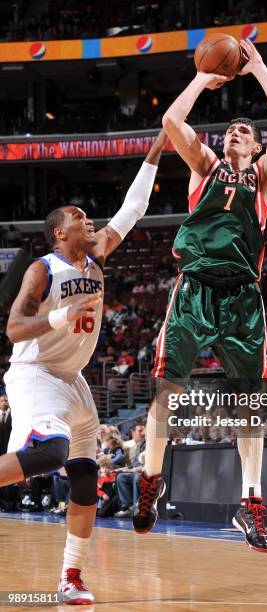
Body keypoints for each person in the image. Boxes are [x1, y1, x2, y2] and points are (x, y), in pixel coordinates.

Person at [133, 38, 267, 553]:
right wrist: (205, 78)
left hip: (243, 299)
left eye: (244, 132)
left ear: (255, 148)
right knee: (168, 393)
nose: (235, 134)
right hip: (195, 290)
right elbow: (172, 123)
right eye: (230, 130)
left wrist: (261, 68)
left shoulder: (264, 177)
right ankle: (150, 483)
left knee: (251, 408)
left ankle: (251, 505)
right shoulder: (204, 168)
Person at [0, 131, 167, 603]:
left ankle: (70, 577)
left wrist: (155, 150)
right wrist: (59, 315)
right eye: (79, 217)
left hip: (74, 382)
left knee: (85, 479)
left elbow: (133, 208)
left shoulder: (95, 256)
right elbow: (13, 329)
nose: (88, 220)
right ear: (59, 232)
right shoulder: (43, 270)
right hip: (36, 374)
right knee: (48, 455)